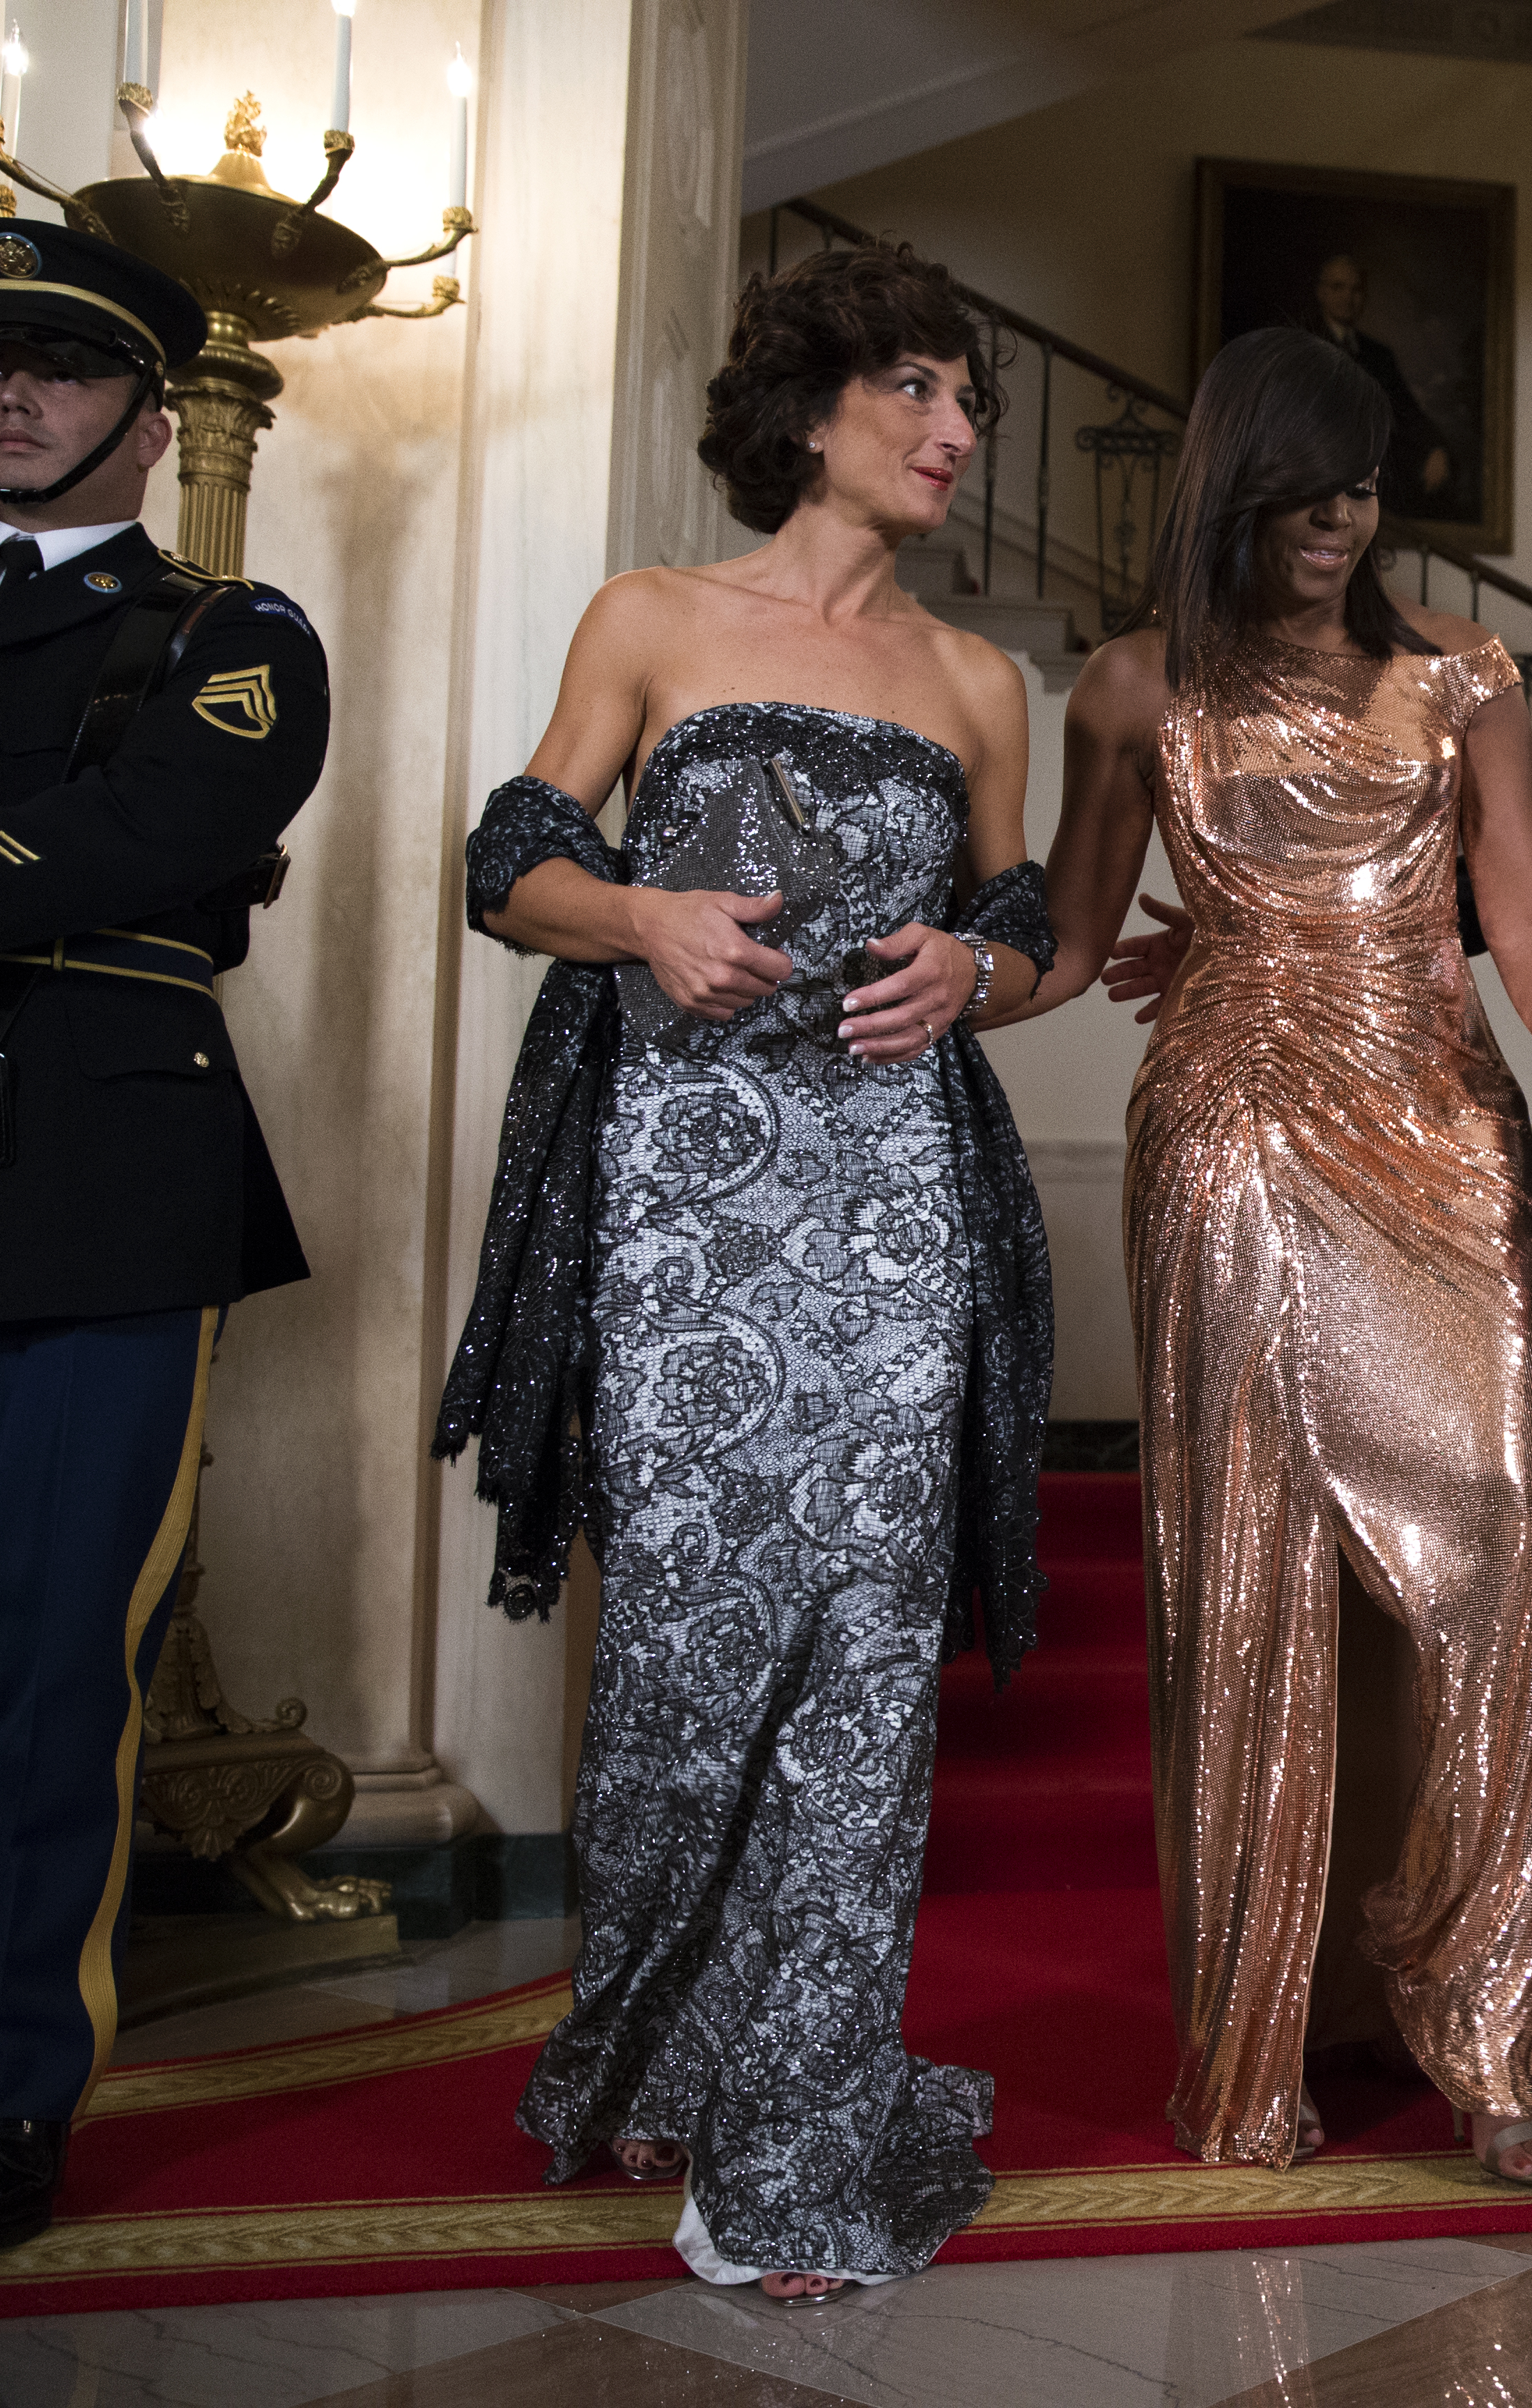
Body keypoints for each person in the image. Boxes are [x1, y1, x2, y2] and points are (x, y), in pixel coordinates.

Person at [433, 242, 1057, 2303]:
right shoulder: (652, 621)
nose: (959, 434)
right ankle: (666, 2041)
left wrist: (984, 966)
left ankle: (792, 2144)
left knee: (868, 1664)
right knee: (685, 1657)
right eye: (921, 391)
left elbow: (1032, 932)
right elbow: (505, 860)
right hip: (683, 1202)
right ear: (810, 409)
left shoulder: (981, 685)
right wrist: (639, 920)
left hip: (896, 1218)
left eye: (971, 401)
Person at [1036, 325, 1532, 2186]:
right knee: (1252, 1582)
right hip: (1231, 1136)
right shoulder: (1134, 688)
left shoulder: (1466, 677)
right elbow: (1063, 942)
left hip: (1444, 1136)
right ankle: (1257, 2038)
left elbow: (1525, 915)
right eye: (1307, 485)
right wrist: (878, 985)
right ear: (1234, 485)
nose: (1341, 517)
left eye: (1367, 486)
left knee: (1480, 1560)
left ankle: (1479, 2028)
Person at [0, 218, 325, 2264]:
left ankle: (3, 2095)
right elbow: (70, 857)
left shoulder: (234, 635)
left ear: (154, 420)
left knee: (56, 1675)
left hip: (107, 1205)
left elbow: (161, 837)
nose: (8, 402)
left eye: (59, 374)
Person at [1301, 255, 1453, 516]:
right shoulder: (1303, 344)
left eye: (1356, 289)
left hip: (1367, 475)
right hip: (1315, 476)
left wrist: (1435, 447)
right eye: (1338, 287)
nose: (1348, 297)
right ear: (1321, 292)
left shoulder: (1378, 355)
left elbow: (1405, 410)